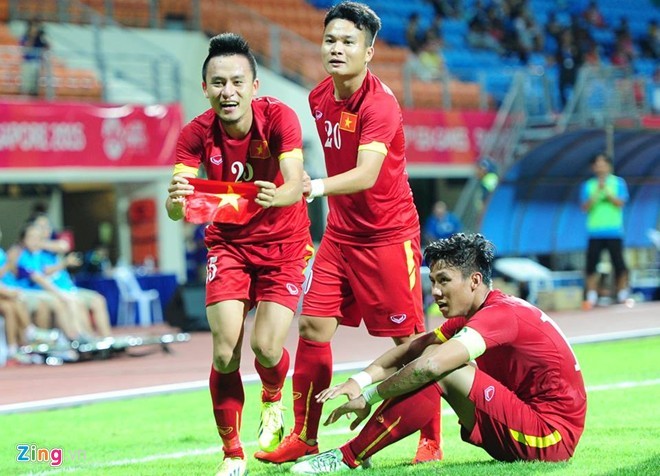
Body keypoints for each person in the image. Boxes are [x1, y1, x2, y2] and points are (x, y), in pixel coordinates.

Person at [255, 2, 441, 466]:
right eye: (330, 40)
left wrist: (310, 187)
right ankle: (305, 435)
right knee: (313, 326)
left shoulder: (381, 104)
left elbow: (366, 175)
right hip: (341, 235)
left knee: (411, 342)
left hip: (387, 236)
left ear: (369, 51)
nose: (336, 49)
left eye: (348, 42)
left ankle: (432, 436)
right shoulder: (319, 97)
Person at [290, 233, 587, 473]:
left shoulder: (501, 314)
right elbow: (413, 350)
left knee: (440, 367)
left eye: (444, 280)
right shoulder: (479, 312)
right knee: (432, 350)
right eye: (432, 281)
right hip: (524, 423)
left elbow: (430, 367)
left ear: (474, 281)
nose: (436, 291)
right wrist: (359, 381)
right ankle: (362, 449)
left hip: (550, 438)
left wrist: (369, 397)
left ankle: (347, 456)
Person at [165, 33, 313, 476]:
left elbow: (295, 181)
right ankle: (232, 454)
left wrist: (279, 195)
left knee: (267, 348)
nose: (227, 91)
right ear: (205, 87)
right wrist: (174, 199)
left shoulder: (280, 118)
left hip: (285, 245)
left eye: (236, 81)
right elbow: (178, 208)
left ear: (254, 86)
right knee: (225, 351)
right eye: (217, 83)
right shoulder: (194, 133)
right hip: (228, 245)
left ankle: (272, 400)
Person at [580, 152, 630, 309]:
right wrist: (597, 192)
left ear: (609, 165)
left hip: (614, 231)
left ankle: (622, 295)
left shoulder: (618, 183)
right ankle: (592, 296)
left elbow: (620, 203)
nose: (600, 166)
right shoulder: (588, 185)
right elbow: (585, 207)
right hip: (594, 232)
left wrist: (606, 191)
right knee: (591, 265)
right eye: (597, 163)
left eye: (603, 163)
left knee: (619, 264)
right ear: (593, 167)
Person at [20, 19, 49, 96]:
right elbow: (27, 48)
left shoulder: (40, 38)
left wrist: (44, 37)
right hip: (28, 62)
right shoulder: (25, 36)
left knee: (36, 83)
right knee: (27, 83)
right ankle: (25, 96)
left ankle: (34, 95)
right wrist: (32, 36)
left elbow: (47, 47)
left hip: (37, 62)